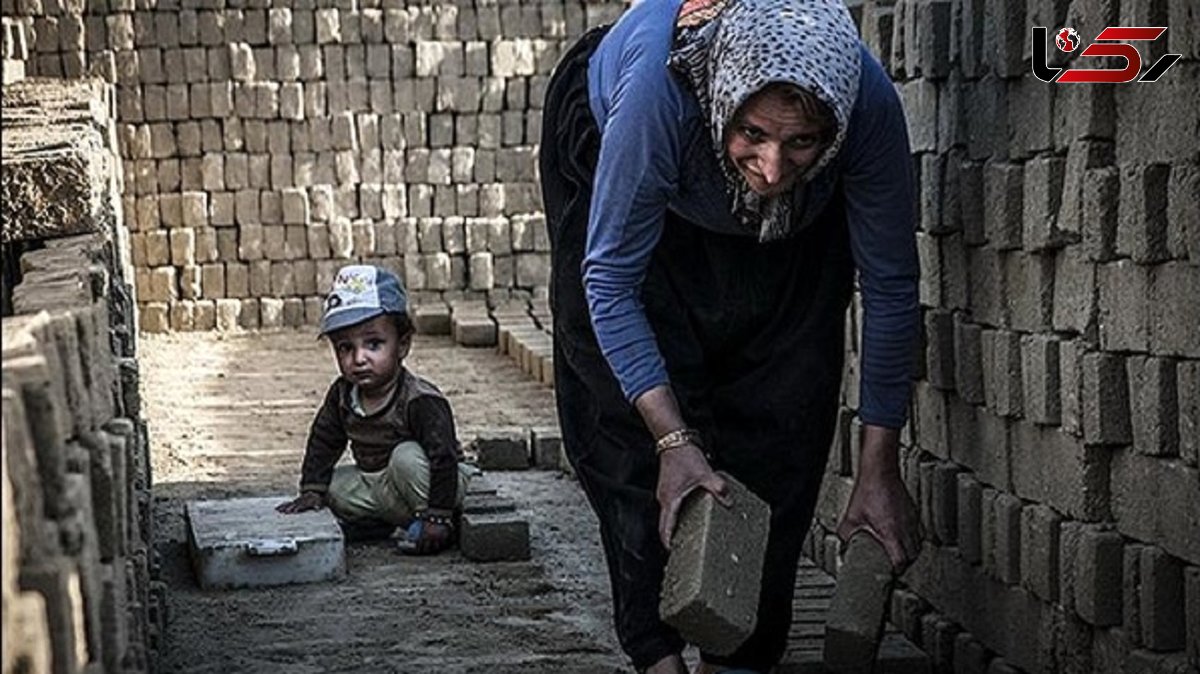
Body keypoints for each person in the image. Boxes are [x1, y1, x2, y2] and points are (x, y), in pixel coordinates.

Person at [539, 0, 922, 671]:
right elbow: (609, 285)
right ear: (725, 104)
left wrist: (877, 468)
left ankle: (742, 655)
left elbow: (890, 288)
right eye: (755, 134)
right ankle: (658, 656)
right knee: (634, 434)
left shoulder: (866, 110)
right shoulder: (657, 100)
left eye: (802, 140)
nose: (773, 168)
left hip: (782, 216)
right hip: (626, 154)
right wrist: (673, 440)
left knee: (784, 410)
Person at [277, 264, 474, 555]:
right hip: (380, 484)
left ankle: (437, 525)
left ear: (403, 345)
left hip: (436, 485)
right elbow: (324, 439)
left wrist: (438, 513)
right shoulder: (343, 394)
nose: (359, 358)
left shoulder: (420, 400)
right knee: (334, 488)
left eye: (374, 344)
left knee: (404, 456)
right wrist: (312, 490)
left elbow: (443, 458)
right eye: (345, 348)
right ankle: (384, 522)